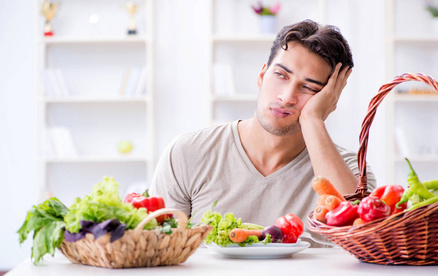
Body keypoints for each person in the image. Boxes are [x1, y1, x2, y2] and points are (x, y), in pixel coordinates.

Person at [149, 19, 376, 245]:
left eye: (309, 88)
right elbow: (156, 250)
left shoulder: (353, 173)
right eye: (281, 75)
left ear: (329, 100)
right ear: (261, 75)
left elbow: (364, 240)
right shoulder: (186, 154)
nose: (286, 97)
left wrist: (313, 119)